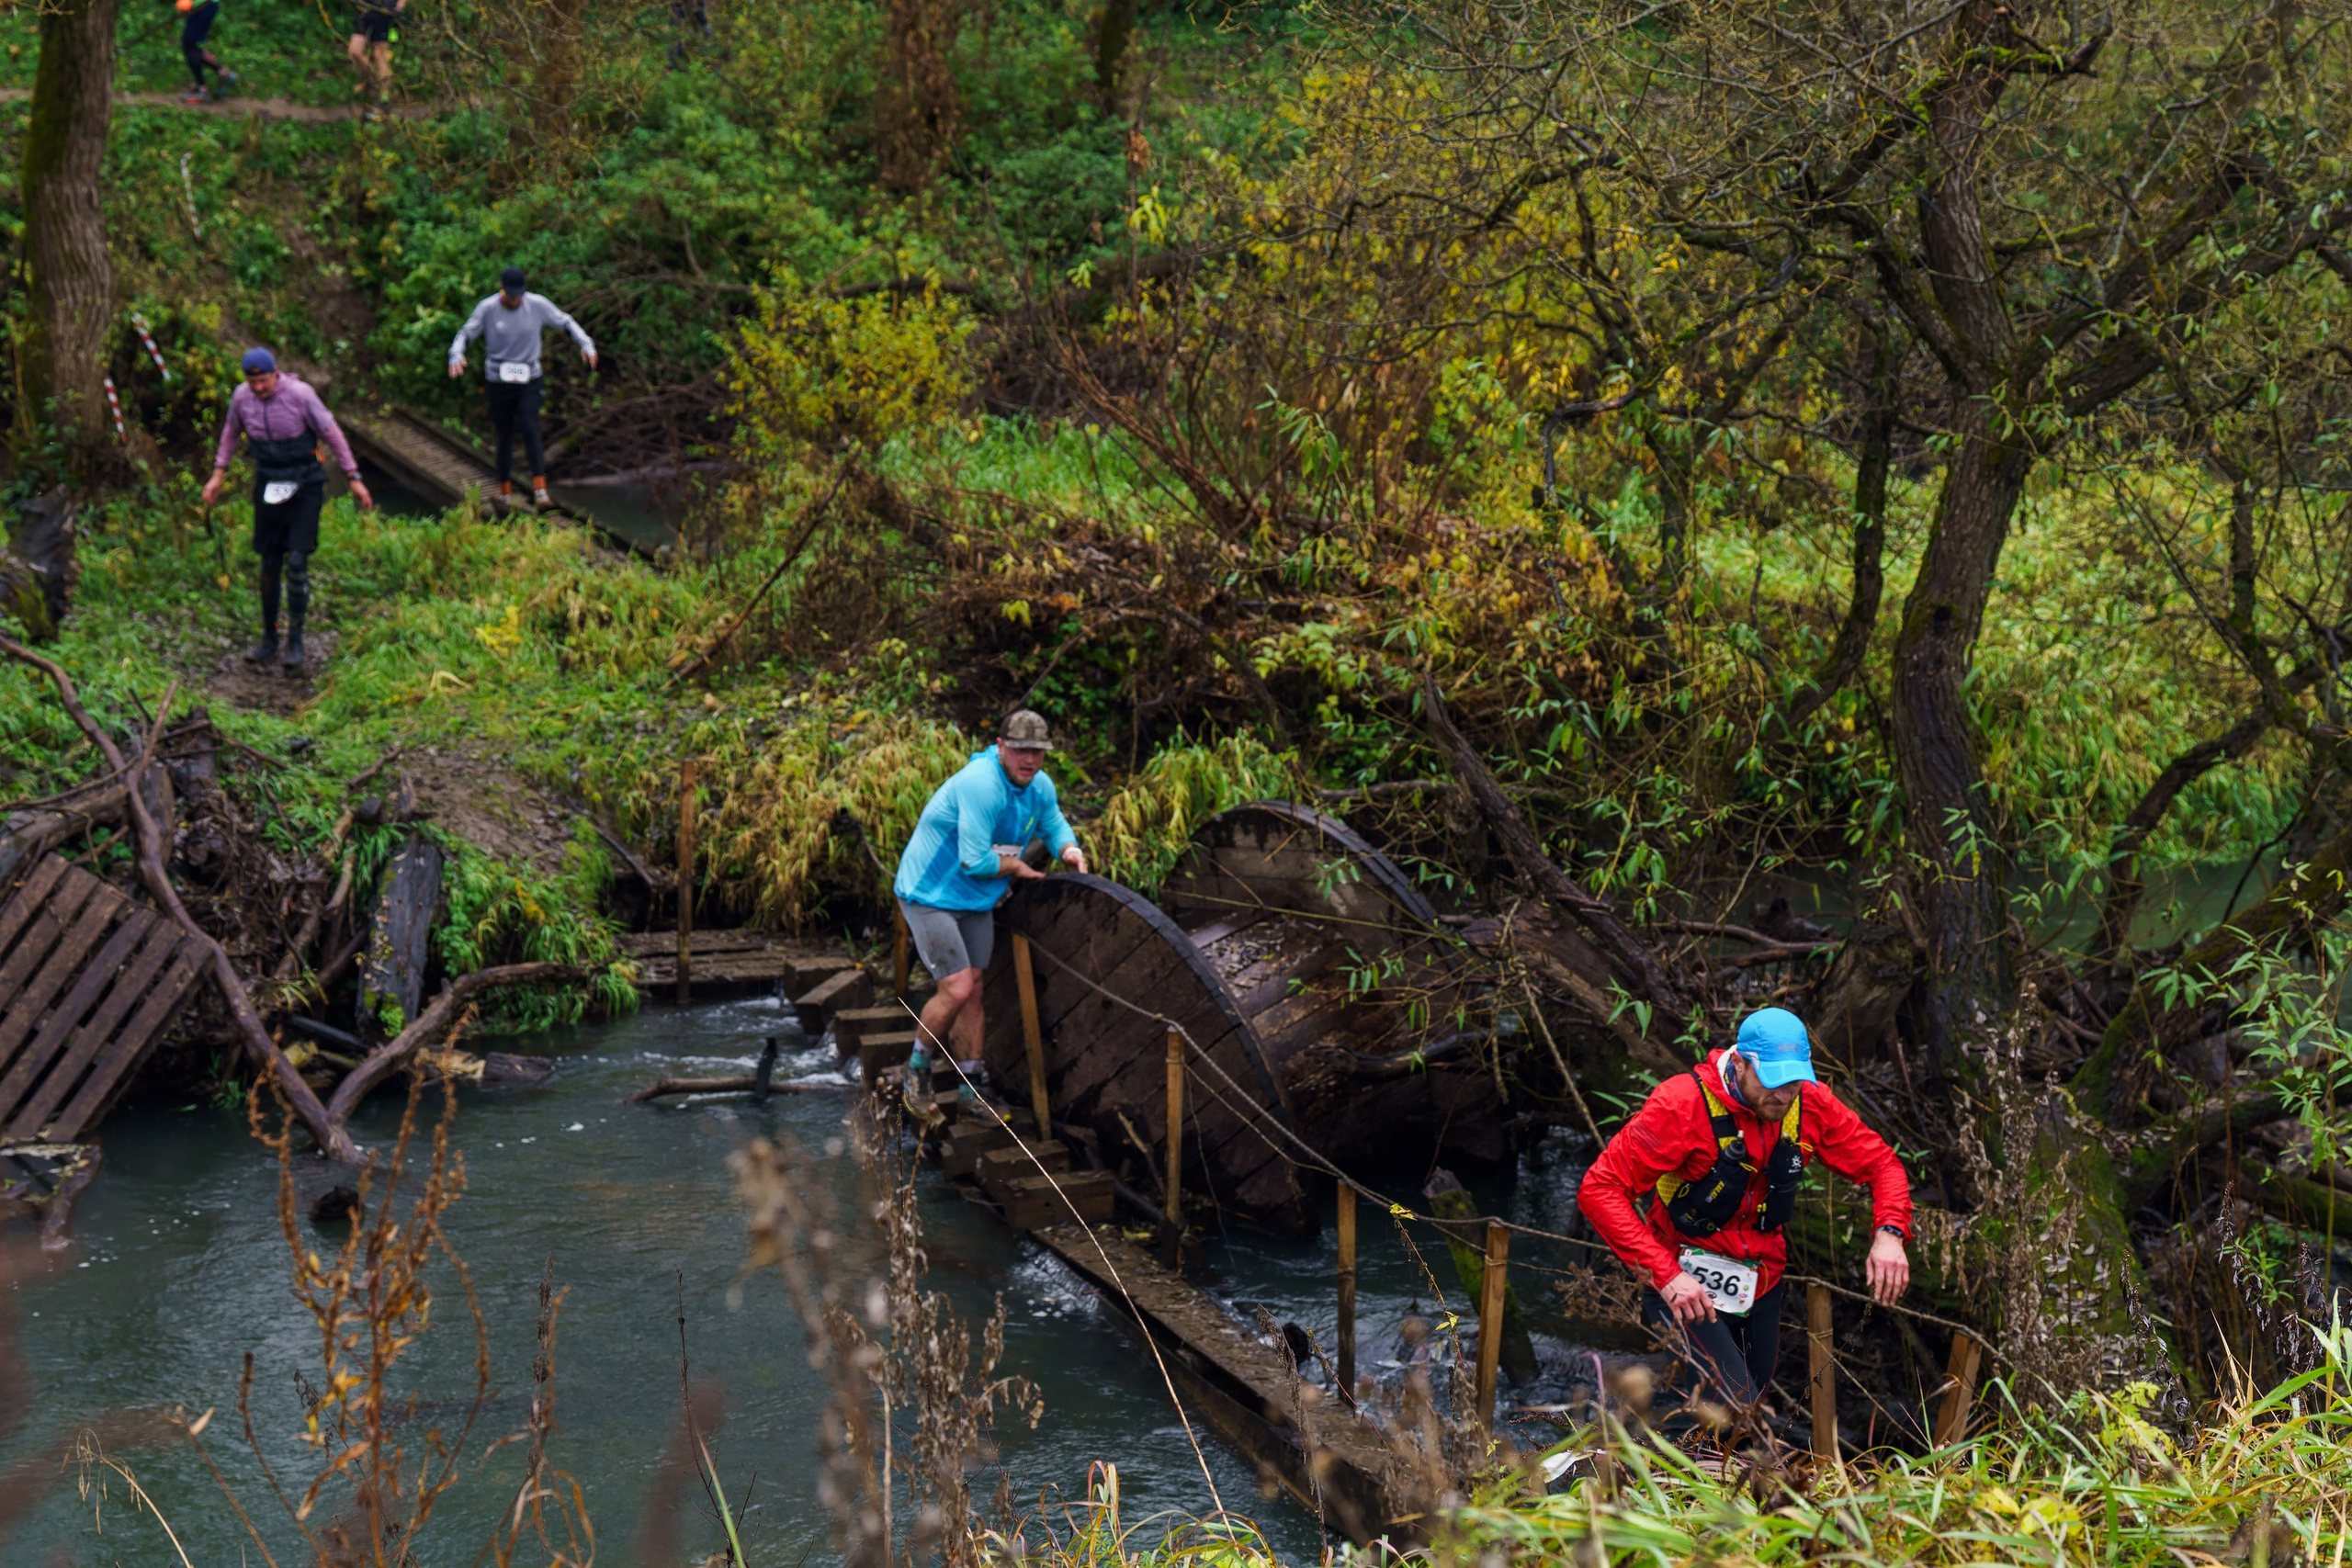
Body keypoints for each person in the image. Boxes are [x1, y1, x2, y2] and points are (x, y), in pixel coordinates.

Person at [1576, 1007, 1912, 1414]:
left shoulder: (1810, 1104)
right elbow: (1600, 1189)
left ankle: (1674, 1446)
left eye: (1793, 1083)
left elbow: (1882, 1164)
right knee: (1738, 1409)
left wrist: (1890, 1232)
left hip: (1761, 1281)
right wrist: (1665, 1275)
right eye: (1772, 1082)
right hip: (1684, 1283)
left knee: (1742, 1412)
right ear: (1739, 1063)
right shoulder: (1680, 1105)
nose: (1784, 1096)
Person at [892, 711, 1088, 1092]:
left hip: (976, 899)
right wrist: (1017, 867)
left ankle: (970, 1086)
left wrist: (1069, 849)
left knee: (975, 989)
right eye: (1020, 750)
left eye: (1037, 751)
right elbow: (975, 861)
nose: (1029, 759)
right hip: (931, 894)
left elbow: (1053, 822)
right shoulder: (981, 785)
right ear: (1000, 747)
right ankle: (916, 1067)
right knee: (957, 988)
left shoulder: (1040, 786)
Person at [201, 349, 374, 672]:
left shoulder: (300, 395)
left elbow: (332, 433)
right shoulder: (241, 397)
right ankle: (269, 637)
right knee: (269, 562)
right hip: (269, 480)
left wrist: (353, 477)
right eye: (252, 382)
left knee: (296, 561)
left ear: (275, 373)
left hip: (305, 482)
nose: (258, 388)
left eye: (263, 382)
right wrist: (217, 475)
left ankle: (295, 639)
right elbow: (229, 433)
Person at [447, 266, 598, 508]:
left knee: (529, 426)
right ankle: (504, 491)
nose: (516, 300)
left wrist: (586, 344)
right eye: (511, 295)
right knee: (504, 434)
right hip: (498, 379)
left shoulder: (536, 305)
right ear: (502, 289)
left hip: (529, 378)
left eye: (519, 295)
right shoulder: (488, 308)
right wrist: (456, 355)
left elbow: (565, 322)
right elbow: (466, 333)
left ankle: (540, 490)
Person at [175, 0, 238, 104]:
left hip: (203, 6)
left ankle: (203, 91)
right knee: (190, 46)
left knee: (190, 46)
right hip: (201, 6)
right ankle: (224, 74)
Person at [348, 0, 403, 116]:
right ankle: (373, 79)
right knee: (355, 51)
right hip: (367, 11)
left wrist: (400, 4)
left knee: (379, 55)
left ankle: (384, 98)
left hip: (385, 12)